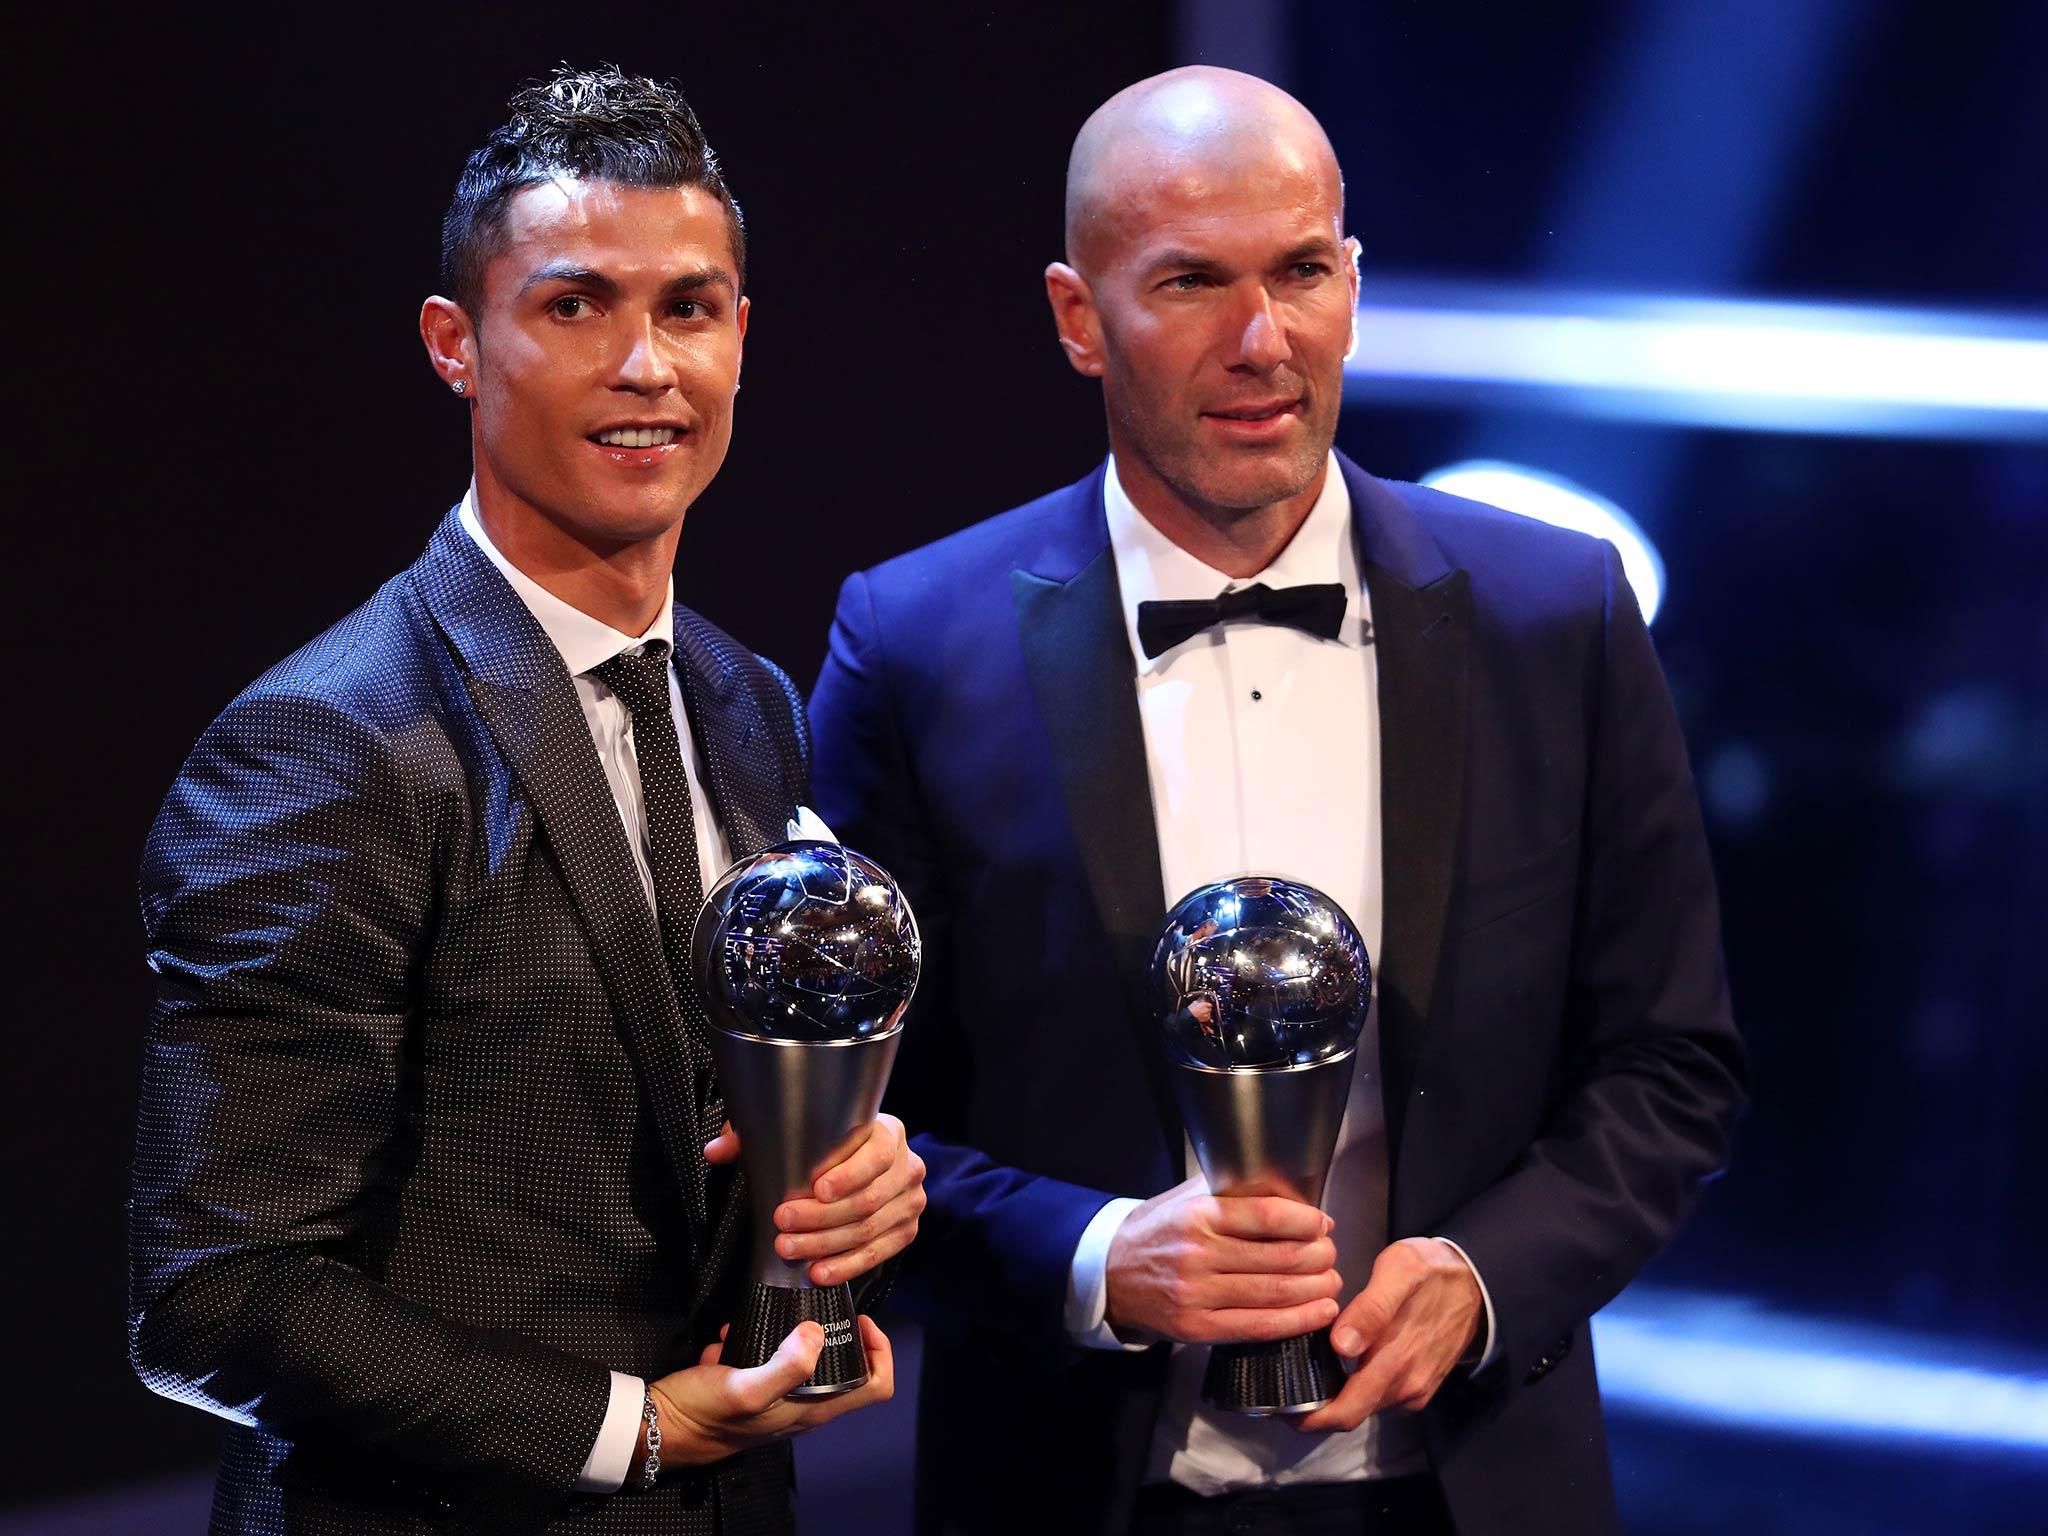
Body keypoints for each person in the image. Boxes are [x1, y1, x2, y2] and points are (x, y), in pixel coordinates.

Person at [808, 66, 1745, 1535]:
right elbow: (845, 1125)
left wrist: (1490, 1276)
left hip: (1474, 1486)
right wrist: (1096, 1256)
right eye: (1190, 281)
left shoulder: (1554, 616)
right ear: (1075, 316)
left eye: (1301, 271)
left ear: (1353, 282)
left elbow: (1670, 1065)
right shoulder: (916, 643)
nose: (1263, 341)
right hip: (1070, 1488)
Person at [130, 67, 924, 1536]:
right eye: (576, 307)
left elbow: (698, 1155)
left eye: (688, 308)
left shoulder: (750, 705)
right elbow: (217, 1295)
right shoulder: (326, 742)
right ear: (457, 344)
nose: (646, 365)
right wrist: (633, 1429)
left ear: (742, 337)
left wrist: (847, 1185)